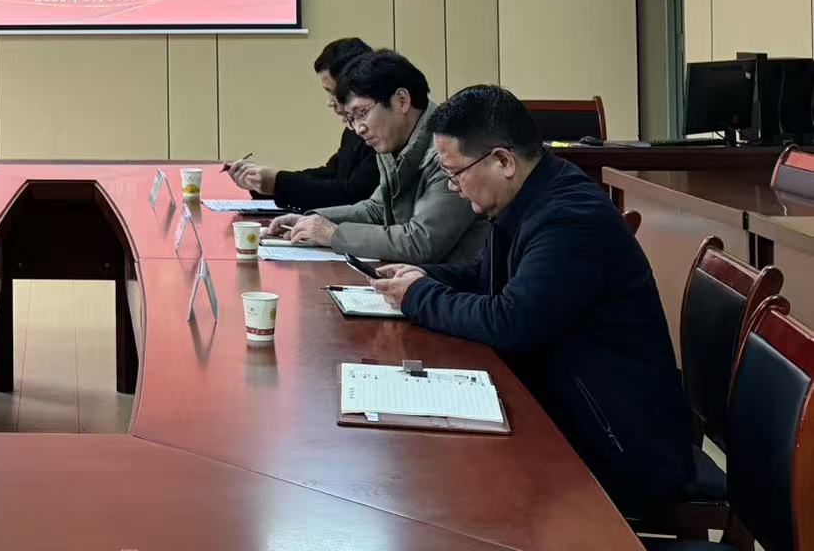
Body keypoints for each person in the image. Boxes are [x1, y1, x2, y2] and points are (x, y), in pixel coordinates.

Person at [371, 85, 694, 512]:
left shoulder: (568, 218)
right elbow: (484, 277)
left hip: (618, 446)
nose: (453, 187)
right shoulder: (529, 197)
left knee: (453, 493)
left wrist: (419, 297)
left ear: (503, 161)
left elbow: (511, 322)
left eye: (455, 173)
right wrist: (422, 276)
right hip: (567, 410)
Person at [267, 49, 485, 265]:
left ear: (401, 101)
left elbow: (421, 242)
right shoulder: (393, 142)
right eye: (351, 118)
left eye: (362, 113)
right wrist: (312, 220)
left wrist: (334, 234)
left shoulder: (449, 150)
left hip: (457, 281)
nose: (358, 128)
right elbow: (376, 210)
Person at [224, 36, 378, 207]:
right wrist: (269, 184)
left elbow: (353, 195)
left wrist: (278, 183)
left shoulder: (380, 133)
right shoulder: (352, 130)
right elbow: (332, 174)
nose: (330, 102)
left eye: (333, 92)